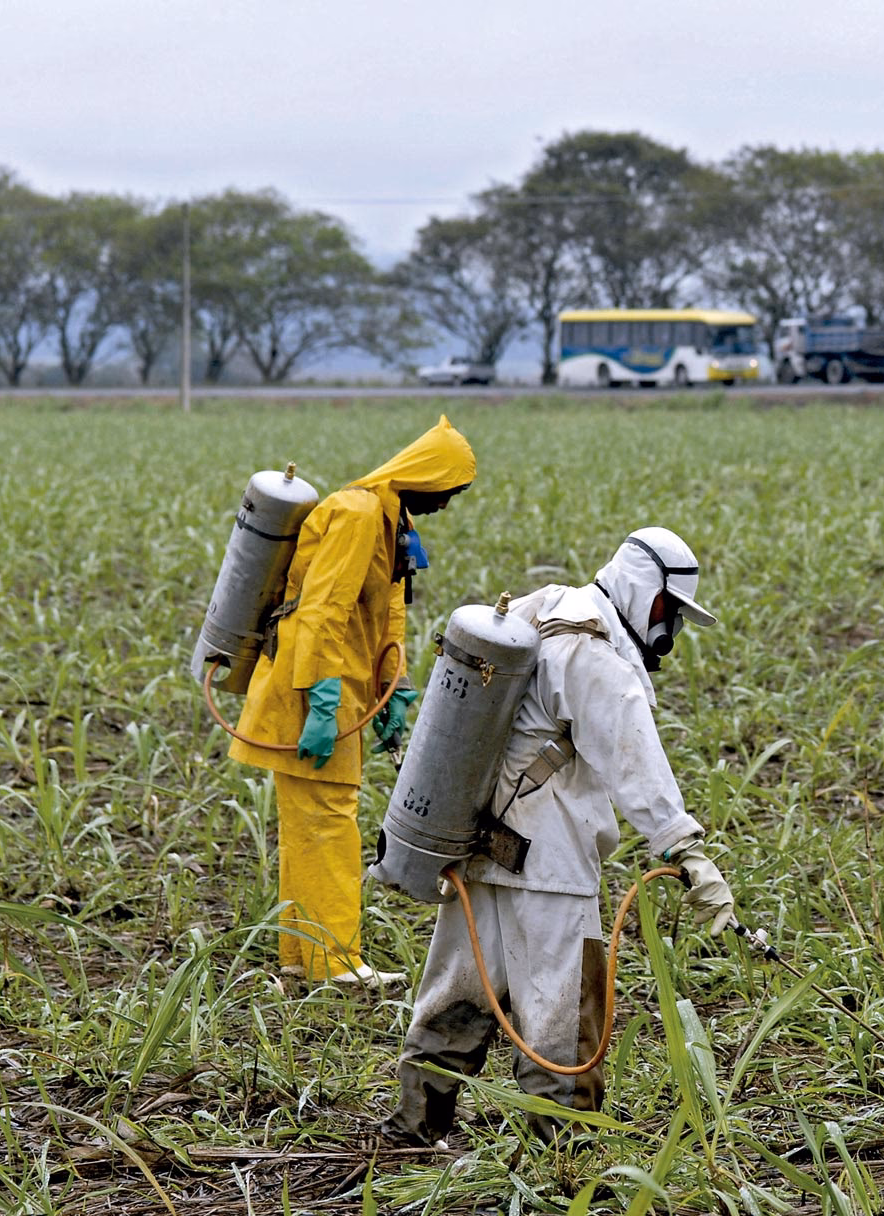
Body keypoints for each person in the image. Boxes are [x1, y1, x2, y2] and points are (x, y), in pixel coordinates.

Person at [379, 526, 737, 1147]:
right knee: (563, 1013)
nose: (668, 632)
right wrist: (688, 852)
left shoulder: (542, 607)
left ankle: (415, 1127)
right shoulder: (596, 658)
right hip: (550, 863)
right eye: (667, 612)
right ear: (641, 587)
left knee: (458, 993)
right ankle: (561, 1154)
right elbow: (636, 765)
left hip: (476, 845)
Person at [229, 415, 475, 985]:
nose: (448, 504)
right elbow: (321, 610)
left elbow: (386, 614)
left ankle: (304, 958)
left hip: (341, 689)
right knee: (329, 820)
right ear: (425, 477)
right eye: (449, 492)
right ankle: (337, 962)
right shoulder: (358, 513)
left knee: (310, 824)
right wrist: (320, 700)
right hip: (313, 687)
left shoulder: (391, 521)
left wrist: (395, 687)